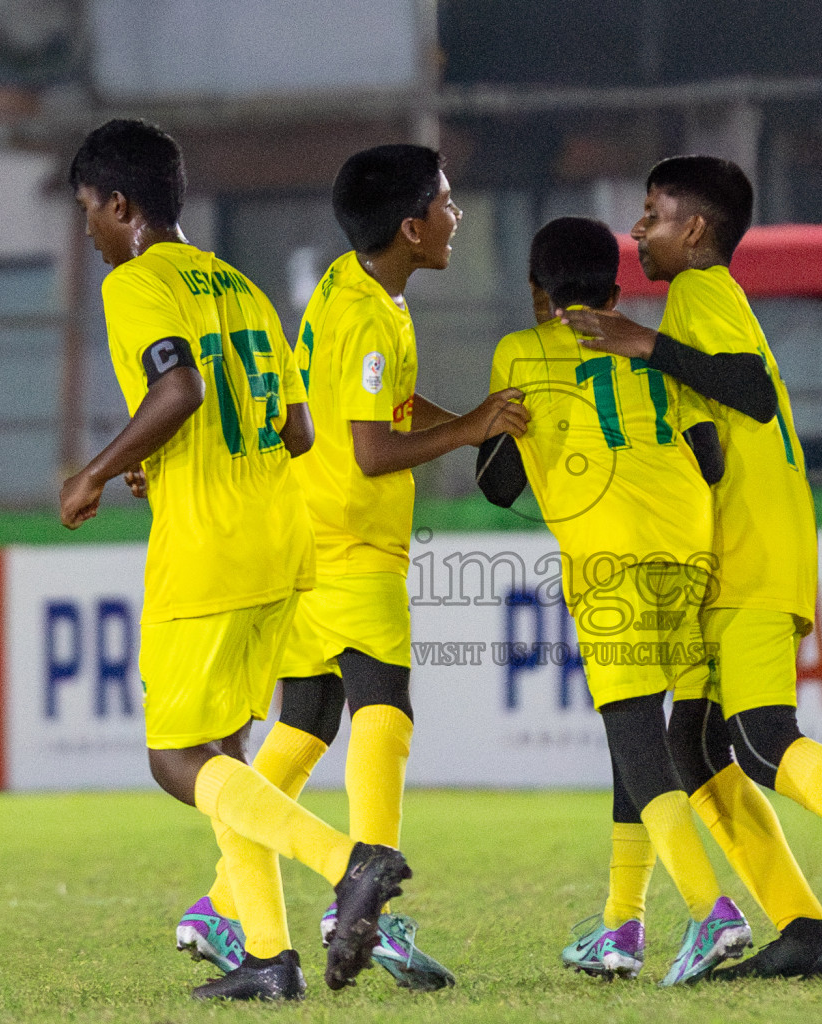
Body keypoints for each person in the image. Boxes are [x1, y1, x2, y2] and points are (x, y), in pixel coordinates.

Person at [558, 156, 822, 979]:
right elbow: (716, 436)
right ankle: (804, 930)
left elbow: (751, 391)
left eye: (651, 213)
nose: (638, 231)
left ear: (695, 229)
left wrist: (640, 342)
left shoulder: (695, 294)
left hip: (752, 549)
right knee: (695, 745)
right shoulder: (708, 304)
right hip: (739, 545)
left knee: (762, 741)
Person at [61, 119, 410, 1000]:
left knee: (176, 759)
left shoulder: (138, 283)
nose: (88, 231)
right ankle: (268, 957)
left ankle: (350, 861)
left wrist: (96, 470)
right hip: (280, 540)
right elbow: (293, 429)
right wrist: (163, 458)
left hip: (209, 547)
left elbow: (178, 389)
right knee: (230, 760)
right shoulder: (244, 288)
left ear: (121, 205)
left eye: (88, 212)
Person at [176, 143, 527, 992]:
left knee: (306, 721)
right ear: (410, 228)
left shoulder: (353, 284)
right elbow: (373, 449)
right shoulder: (373, 315)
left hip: (308, 531)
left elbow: (375, 408)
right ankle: (359, 898)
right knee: (386, 709)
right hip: (349, 540)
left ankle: (221, 904)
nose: (457, 215)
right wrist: (468, 429)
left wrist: (472, 420)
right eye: (445, 203)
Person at [478, 215, 755, 985]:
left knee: (636, 735)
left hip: (612, 561)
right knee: (636, 741)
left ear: (537, 291)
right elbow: (709, 452)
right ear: (616, 285)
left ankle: (711, 913)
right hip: (690, 550)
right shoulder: (650, 344)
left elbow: (496, 484)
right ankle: (620, 926)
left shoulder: (520, 349)